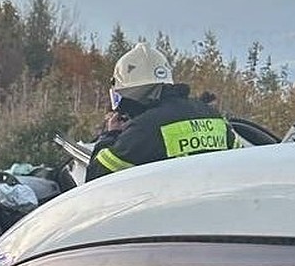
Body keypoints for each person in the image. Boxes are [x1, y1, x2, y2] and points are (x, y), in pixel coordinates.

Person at [86, 42, 237, 182]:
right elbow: (240, 161)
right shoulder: (213, 115)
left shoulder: (144, 128)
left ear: (130, 92)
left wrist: (111, 134)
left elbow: (95, 177)